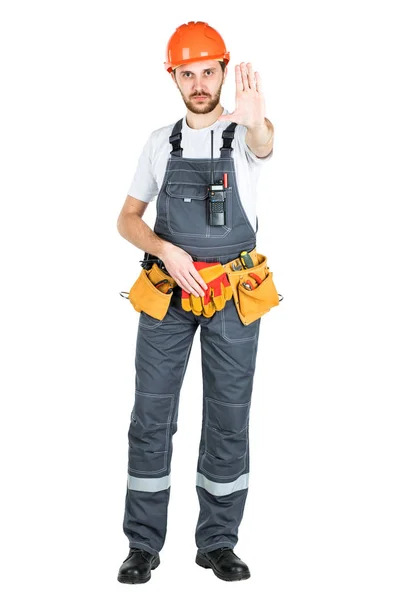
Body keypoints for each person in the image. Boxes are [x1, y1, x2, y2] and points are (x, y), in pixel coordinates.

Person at [116, 20, 275, 584]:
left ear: (223, 72)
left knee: (228, 418)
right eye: (189, 73)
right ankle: (142, 545)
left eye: (209, 71)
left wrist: (257, 123)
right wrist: (166, 251)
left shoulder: (246, 135)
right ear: (175, 78)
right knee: (151, 417)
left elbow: (265, 141)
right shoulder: (161, 142)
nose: (200, 82)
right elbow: (127, 219)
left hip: (235, 293)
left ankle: (218, 542)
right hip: (168, 292)